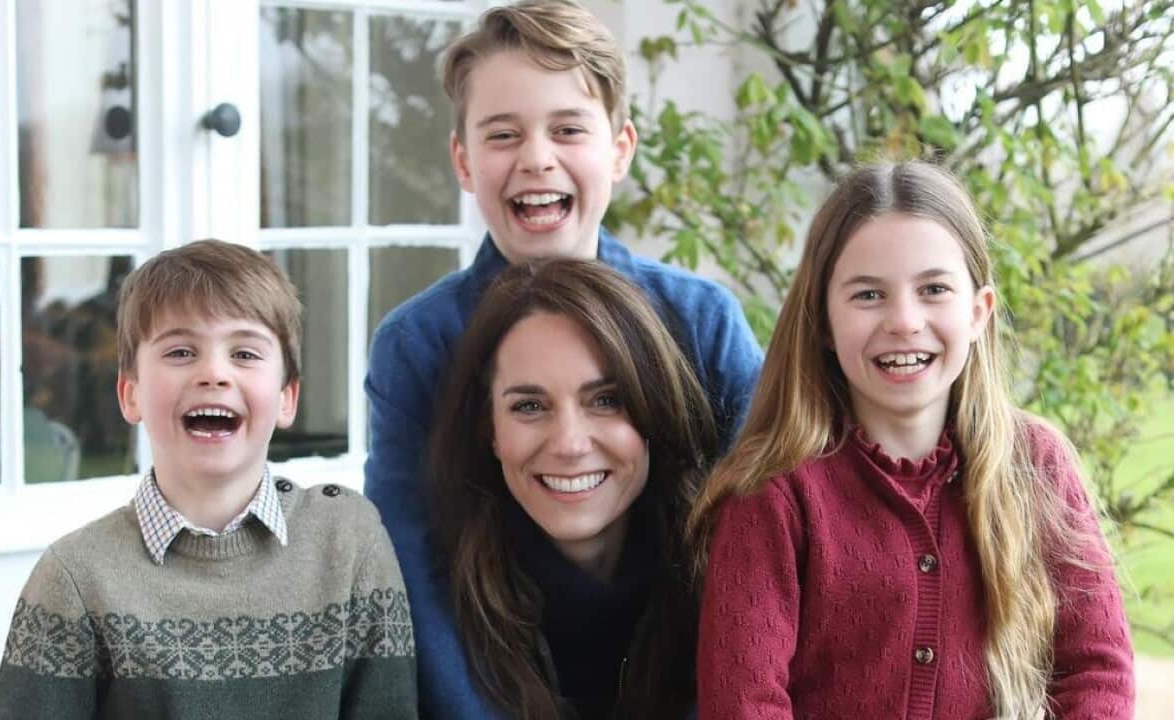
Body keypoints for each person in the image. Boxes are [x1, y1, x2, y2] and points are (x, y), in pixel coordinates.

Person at [363, 1, 763, 717]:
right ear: (463, 160)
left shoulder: (702, 325)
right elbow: (412, 575)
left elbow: (761, 547)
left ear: (620, 148)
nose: (536, 157)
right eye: (503, 134)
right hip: (493, 691)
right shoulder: (418, 345)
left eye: (568, 129)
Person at [692, 162, 1135, 719]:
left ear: (978, 313)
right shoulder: (773, 496)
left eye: (934, 289)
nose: (904, 320)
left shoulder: (1036, 465)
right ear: (824, 323)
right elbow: (744, 705)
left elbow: (1096, 668)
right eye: (868, 294)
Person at [0, 240, 415, 719]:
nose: (214, 373)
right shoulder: (74, 578)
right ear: (131, 396)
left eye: (246, 354)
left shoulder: (349, 541)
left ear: (287, 398)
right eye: (181, 351)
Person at [430, 259, 719, 720]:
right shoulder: (433, 606)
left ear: (656, 410)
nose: (569, 445)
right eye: (529, 406)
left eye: (606, 400)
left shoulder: (723, 580)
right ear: (490, 431)